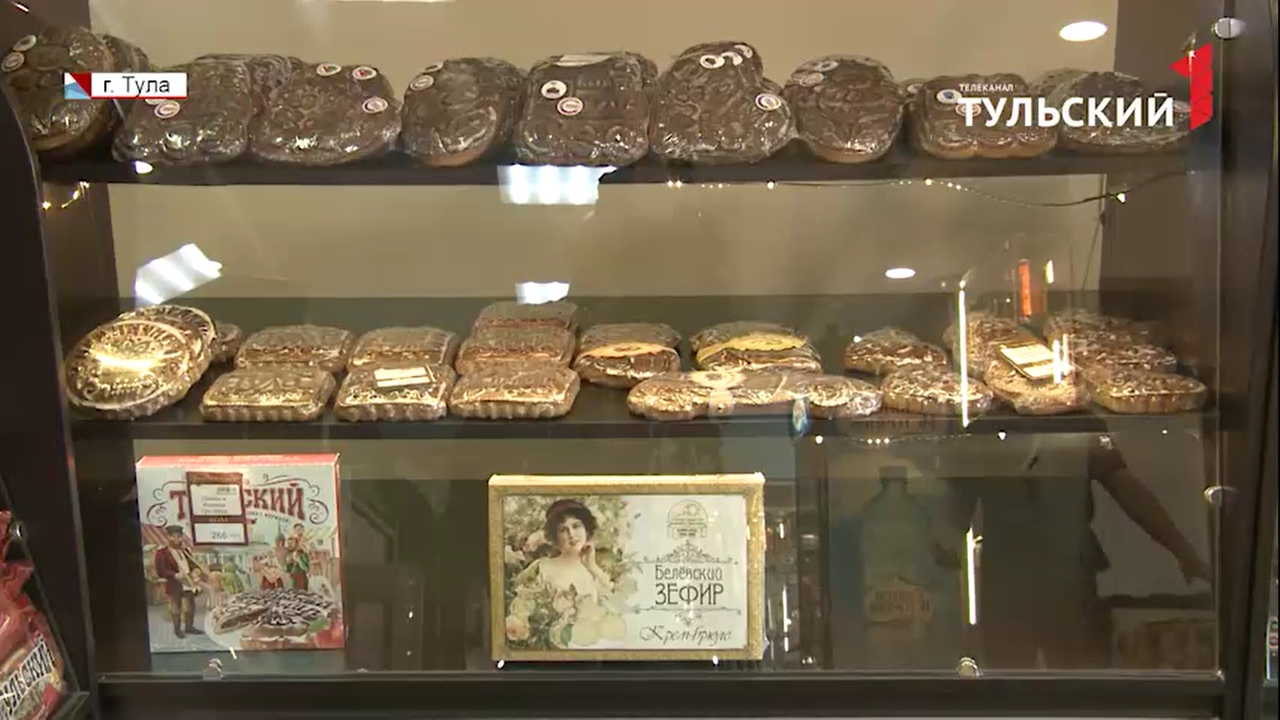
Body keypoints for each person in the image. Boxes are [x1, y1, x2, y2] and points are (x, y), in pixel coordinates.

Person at [517, 499, 613, 601]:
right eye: (563, 530)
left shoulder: (597, 569)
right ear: (556, 537)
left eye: (576, 526)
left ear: (586, 530)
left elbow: (613, 602)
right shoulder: (542, 567)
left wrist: (592, 567)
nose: (571, 534)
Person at [152, 526, 205, 639]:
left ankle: (189, 627)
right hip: (175, 583)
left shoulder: (185, 551)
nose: (178, 539)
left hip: (188, 582)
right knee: (176, 606)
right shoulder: (162, 553)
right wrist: (175, 575)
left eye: (180, 537)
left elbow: (192, 565)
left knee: (190, 606)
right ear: (169, 537)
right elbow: (161, 570)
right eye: (175, 537)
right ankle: (177, 630)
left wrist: (195, 571)